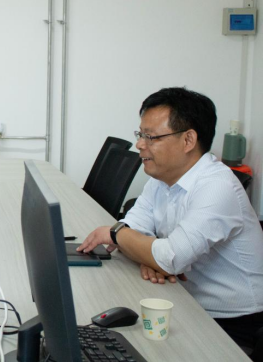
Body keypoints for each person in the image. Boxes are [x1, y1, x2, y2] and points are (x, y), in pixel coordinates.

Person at [78, 87, 263, 353]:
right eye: (140, 135)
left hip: (232, 324)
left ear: (188, 140)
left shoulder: (218, 187)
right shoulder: (161, 179)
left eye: (151, 137)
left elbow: (164, 255)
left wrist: (119, 235)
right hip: (182, 299)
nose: (140, 144)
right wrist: (150, 256)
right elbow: (136, 229)